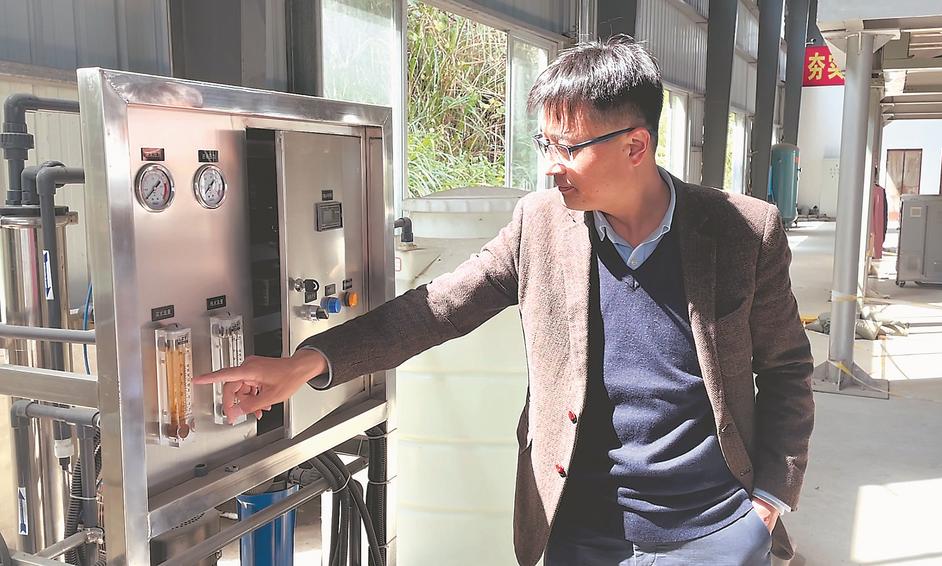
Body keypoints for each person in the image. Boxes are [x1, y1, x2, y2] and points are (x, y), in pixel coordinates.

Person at [196, 35, 815, 566]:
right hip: (581, 527)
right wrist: (306, 363)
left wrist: (768, 501)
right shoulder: (540, 225)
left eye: (568, 148)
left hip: (711, 528)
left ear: (636, 145)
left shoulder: (742, 232)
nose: (550, 167)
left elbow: (786, 368)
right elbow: (437, 308)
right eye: (544, 144)